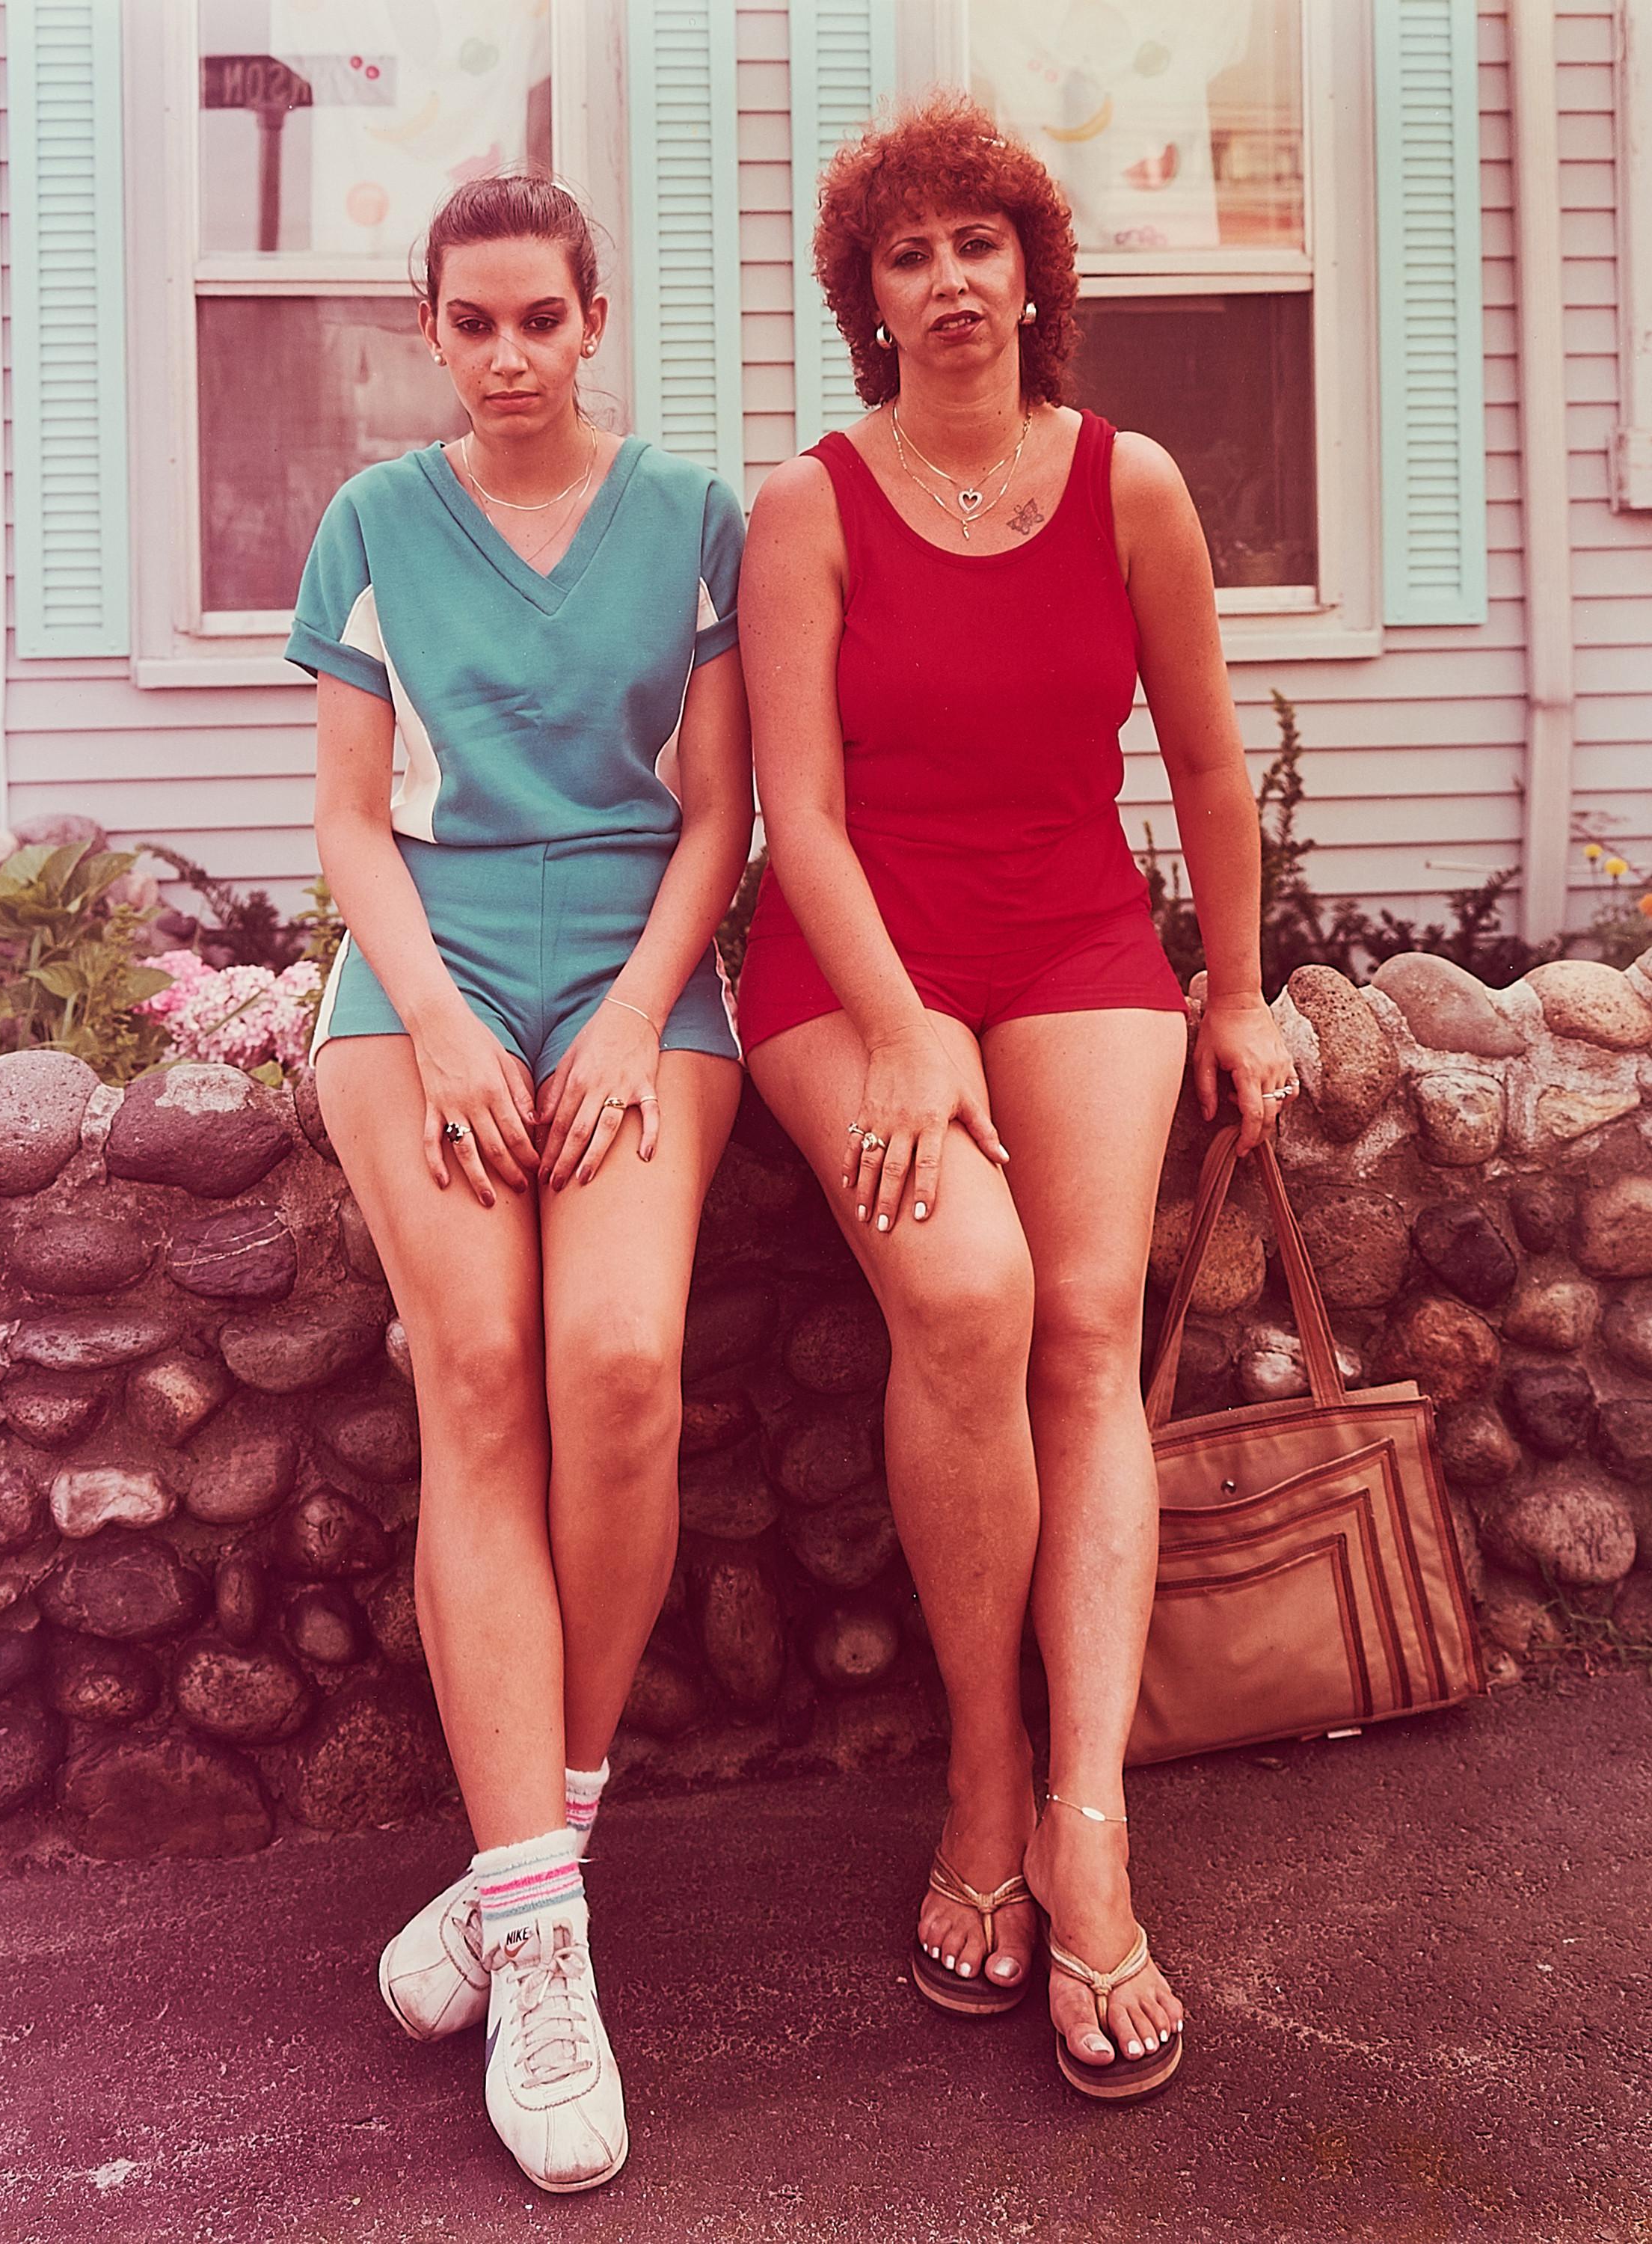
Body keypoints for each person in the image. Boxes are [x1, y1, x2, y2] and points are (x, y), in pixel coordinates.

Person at [734, 92, 1298, 2103]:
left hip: (1071, 938)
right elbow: (793, 808)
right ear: (867, 299)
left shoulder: (1128, 483)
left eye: (985, 244)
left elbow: (1213, 773)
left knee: (1078, 1319)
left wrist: (1237, 993)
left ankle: (1087, 1819)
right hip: (849, 958)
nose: (952, 279)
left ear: (1038, 276)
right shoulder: (808, 503)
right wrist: (899, 1030)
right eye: (911, 254)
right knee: (960, 1300)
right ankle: (979, 1763)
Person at [289, 175, 751, 2190]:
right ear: (431, 331)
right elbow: (343, 821)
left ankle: (523, 1841)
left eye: (539, 318)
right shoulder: (376, 526)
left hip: (641, 971)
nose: (505, 352)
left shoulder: (695, 518)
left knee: (620, 1372)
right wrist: (452, 1025)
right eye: (469, 321)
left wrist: (636, 1013)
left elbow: (724, 809)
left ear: (593, 318)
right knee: (475, 1365)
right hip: (429, 979)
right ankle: (547, 1947)